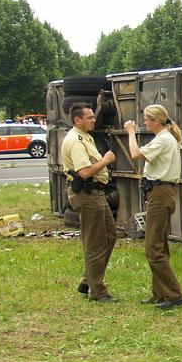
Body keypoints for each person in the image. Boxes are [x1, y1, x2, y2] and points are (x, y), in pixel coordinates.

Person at [125, 104, 182, 309]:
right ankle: (160, 292)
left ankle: (174, 295)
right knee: (159, 244)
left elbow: (135, 154)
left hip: (160, 194)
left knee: (153, 247)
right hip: (159, 192)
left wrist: (131, 132)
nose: (144, 122)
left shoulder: (163, 139)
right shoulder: (166, 138)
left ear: (156, 121)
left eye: (146, 119)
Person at [60, 103, 118, 302]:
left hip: (96, 193)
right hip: (88, 193)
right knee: (95, 242)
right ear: (78, 120)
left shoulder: (86, 137)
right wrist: (106, 160)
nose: (94, 120)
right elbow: (84, 172)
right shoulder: (76, 140)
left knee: (110, 235)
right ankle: (97, 291)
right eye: (89, 117)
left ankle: (89, 280)